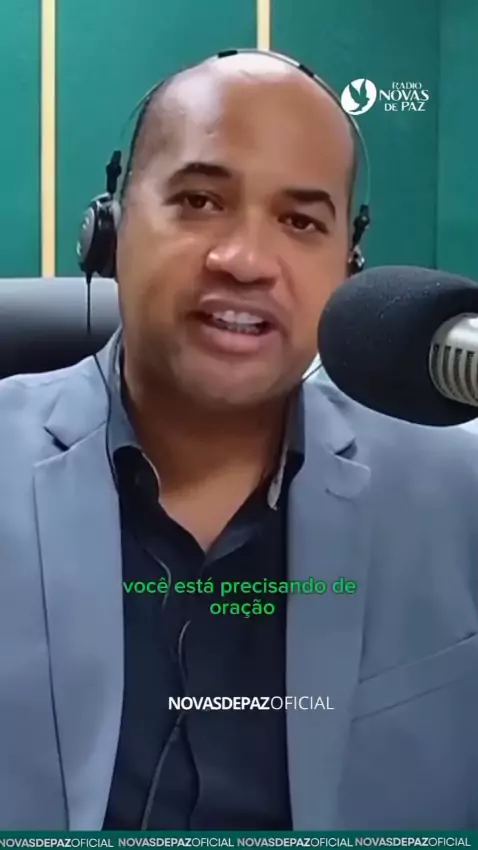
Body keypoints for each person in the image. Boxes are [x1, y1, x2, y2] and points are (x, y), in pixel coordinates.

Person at [1, 49, 478, 832]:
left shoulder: (460, 498)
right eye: (199, 200)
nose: (246, 261)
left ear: (349, 264)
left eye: (300, 221)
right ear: (109, 230)